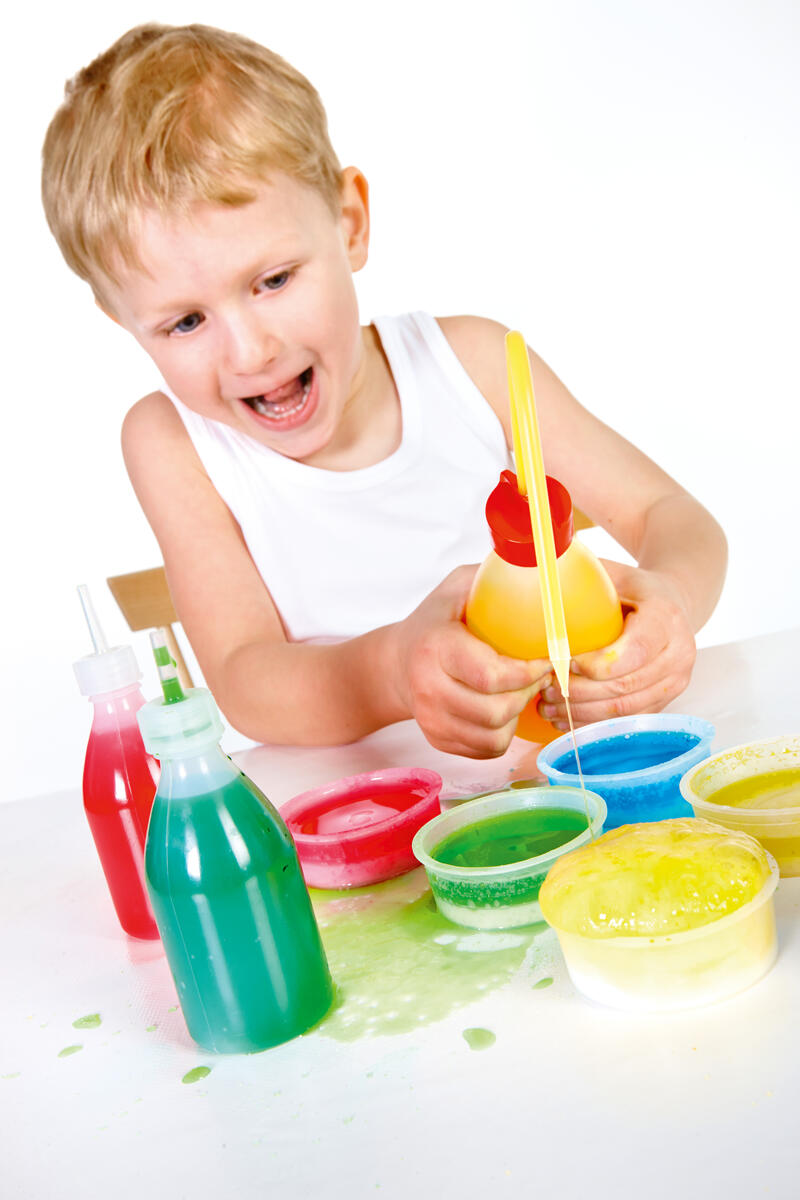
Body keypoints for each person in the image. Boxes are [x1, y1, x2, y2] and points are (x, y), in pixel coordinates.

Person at [41, 23, 727, 760]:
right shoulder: (171, 442)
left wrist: (671, 604)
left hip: (563, 772)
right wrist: (394, 674)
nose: (250, 352)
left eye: (274, 280)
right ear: (123, 321)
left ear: (350, 224)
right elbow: (245, 680)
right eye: (184, 322)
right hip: (364, 807)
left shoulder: (473, 363)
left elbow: (672, 516)